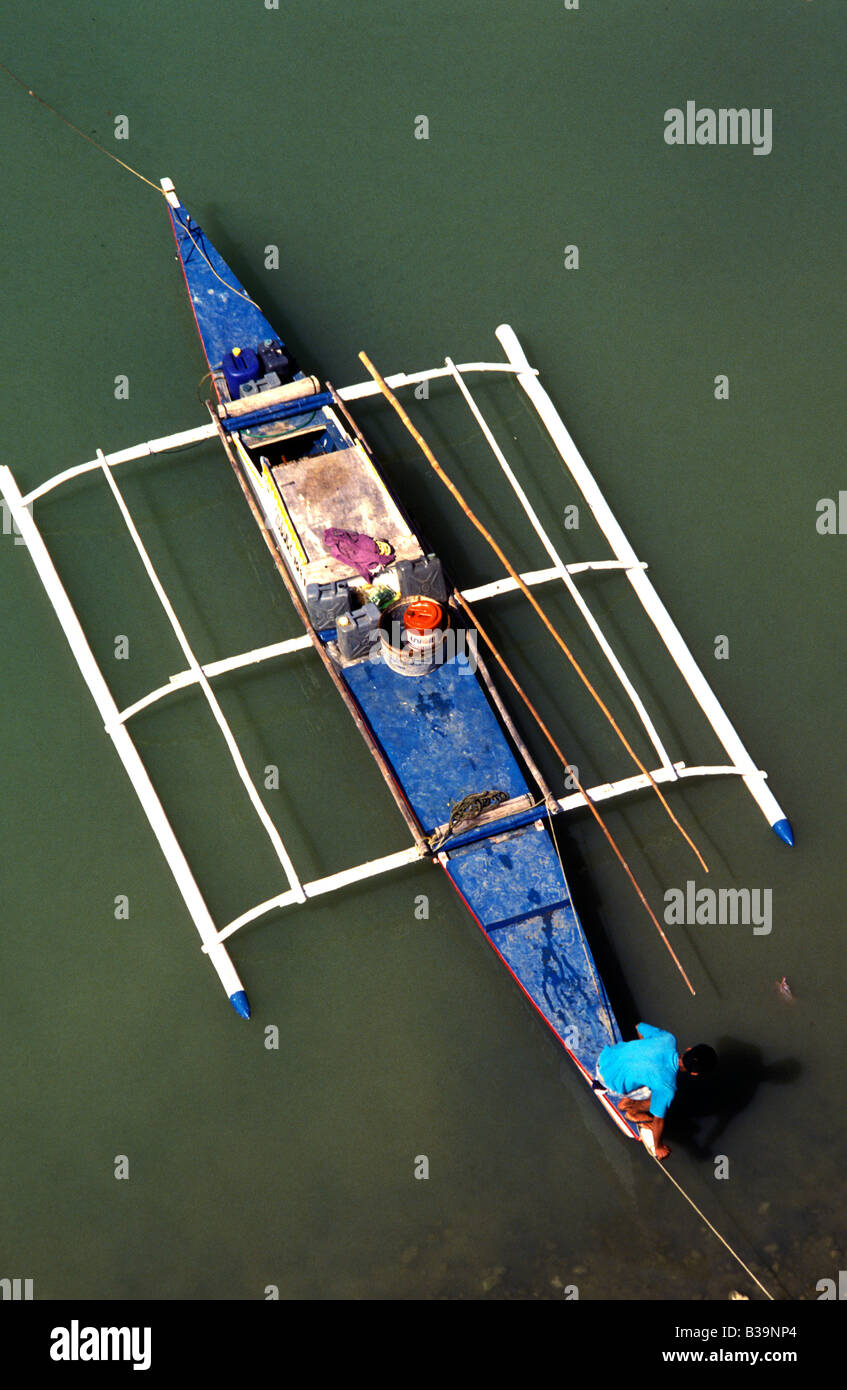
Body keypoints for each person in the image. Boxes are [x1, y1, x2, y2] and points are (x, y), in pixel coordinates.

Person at [594, 1023, 716, 1160]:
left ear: (689, 1049)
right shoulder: (667, 1087)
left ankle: (629, 1098)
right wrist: (659, 1148)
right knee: (659, 1097)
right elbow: (658, 1121)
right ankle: (632, 1111)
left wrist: (645, 1054)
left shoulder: (668, 1038)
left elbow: (638, 1026)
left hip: (605, 1057)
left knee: (651, 1081)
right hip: (609, 1083)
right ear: (694, 1073)